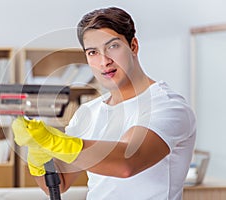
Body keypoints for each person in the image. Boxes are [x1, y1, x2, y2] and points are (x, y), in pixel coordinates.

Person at [12, 6, 196, 200]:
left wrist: (56, 142)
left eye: (112, 46)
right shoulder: (88, 112)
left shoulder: (168, 106)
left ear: (133, 46)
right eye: (93, 52)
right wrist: (38, 154)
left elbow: (128, 161)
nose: (104, 61)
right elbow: (59, 183)